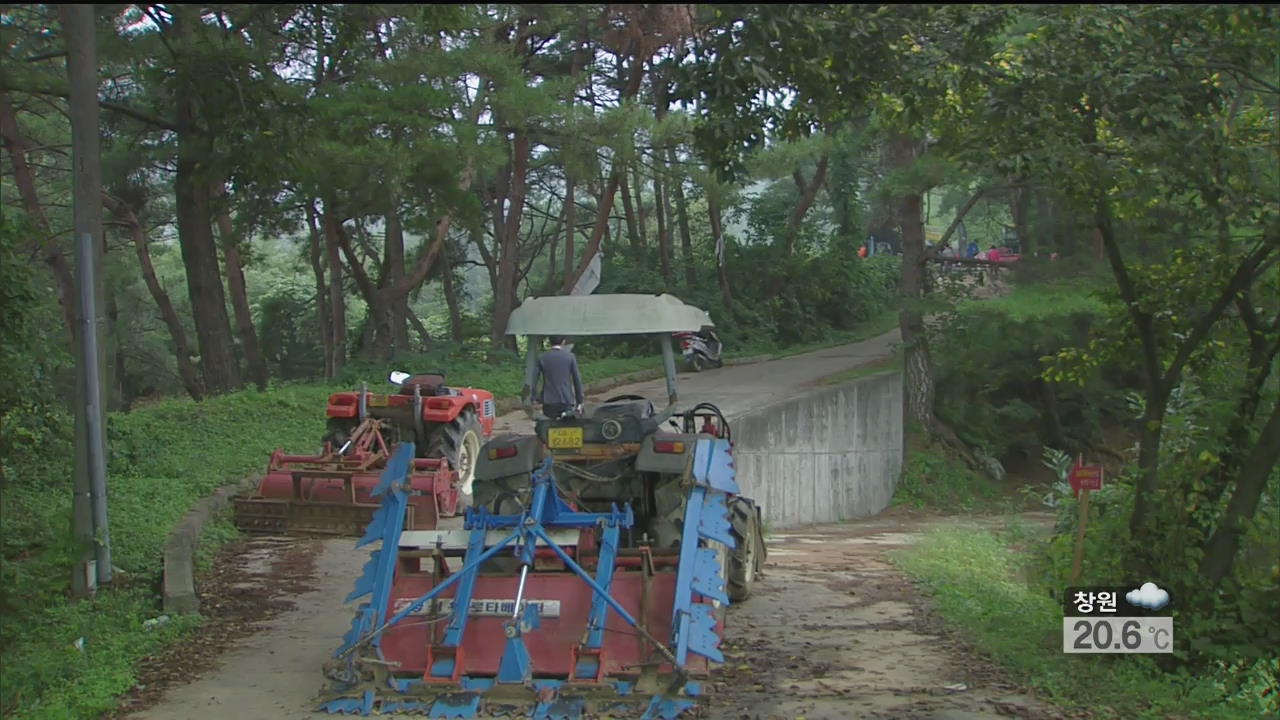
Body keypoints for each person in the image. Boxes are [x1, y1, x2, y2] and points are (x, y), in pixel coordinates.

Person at [532, 336, 584, 419]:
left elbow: (534, 380)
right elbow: (577, 379)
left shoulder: (542, 357)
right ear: (563, 342)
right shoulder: (570, 357)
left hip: (549, 401)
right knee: (567, 426)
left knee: (549, 427)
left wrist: (535, 398)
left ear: (549, 342)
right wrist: (579, 401)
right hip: (566, 400)